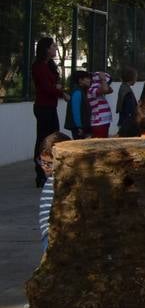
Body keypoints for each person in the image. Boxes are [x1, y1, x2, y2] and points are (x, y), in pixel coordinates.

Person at [30, 37, 63, 187]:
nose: (55, 49)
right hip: (43, 107)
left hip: (50, 106)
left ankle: (50, 169)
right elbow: (47, 88)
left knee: (53, 138)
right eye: (53, 47)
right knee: (44, 140)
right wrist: (60, 92)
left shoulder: (49, 65)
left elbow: (54, 84)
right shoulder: (38, 67)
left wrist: (58, 89)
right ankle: (41, 172)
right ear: (46, 49)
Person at [37, 132, 71, 253]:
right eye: (42, 162)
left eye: (50, 164)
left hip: (57, 236)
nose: (45, 167)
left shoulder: (57, 180)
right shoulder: (51, 180)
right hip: (49, 234)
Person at [64, 71, 90, 139]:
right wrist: (79, 127)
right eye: (87, 78)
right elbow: (76, 111)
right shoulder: (77, 92)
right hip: (78, 128)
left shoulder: (80, 90)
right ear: (80, 80)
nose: (89, 80)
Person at [89, 69, 113, 138]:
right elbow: (105, 89)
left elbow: (110, 90)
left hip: (103, 121)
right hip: (98, 122)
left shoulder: (96, 87)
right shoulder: (91, 89)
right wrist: (103, 79)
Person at [115, 67, 138, 137]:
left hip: (123, 121)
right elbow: (130, 110)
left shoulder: (123, 87)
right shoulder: (127, 92)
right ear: (132, 78)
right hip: (127, 123)